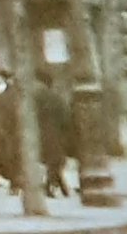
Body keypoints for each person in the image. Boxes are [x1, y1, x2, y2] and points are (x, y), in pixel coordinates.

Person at [35, 69, 73, 198]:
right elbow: (65, 117)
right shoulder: (55, 98)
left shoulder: (31, 97)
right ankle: (53, 185)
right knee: (55, 161)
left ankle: (59, 186)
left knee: (51, 162)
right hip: (54, 134)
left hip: (37, 134)